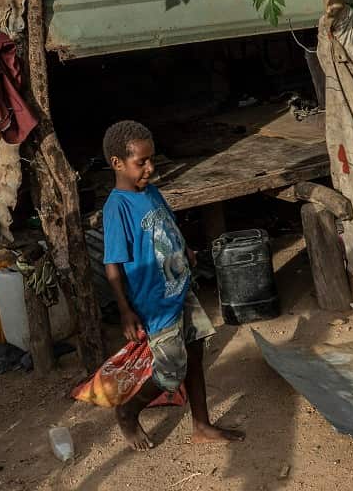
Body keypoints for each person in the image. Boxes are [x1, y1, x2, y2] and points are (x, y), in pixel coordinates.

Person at [102, 120, 246, 451]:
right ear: (117, 163)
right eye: (142, 162)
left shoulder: (150, 192)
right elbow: (112, 264)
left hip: (181, 289)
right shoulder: (117, 208)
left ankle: (202, 425)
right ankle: (128, 410)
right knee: (171, 371)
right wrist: (125, 311)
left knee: (195, 355)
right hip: (154, 303)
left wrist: (186, 251)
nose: (150, 168)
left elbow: (166, 227)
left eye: (152, 160)